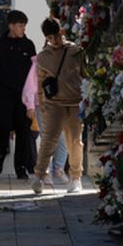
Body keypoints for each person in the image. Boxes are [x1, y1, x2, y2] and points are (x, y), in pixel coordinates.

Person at [31, 16, 84, 195]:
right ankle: (39, 176)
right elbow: (40, 81)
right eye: (50, 38)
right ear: (45, 37)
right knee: (48, 140)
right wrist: (42, 104)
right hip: (53, 104)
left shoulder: (75, 51)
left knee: (75, 142)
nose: (54, 41)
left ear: (62, 32)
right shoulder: (43, 57)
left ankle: (75, 178)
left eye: (56, 36)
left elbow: (85, 74)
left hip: (75, 103)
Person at [0, 10, 38, 179]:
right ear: (11, 26)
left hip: (23, 96)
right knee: (3, 126)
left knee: (23, 131)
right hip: (4, 93)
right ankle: (1, 153)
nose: (23, 28)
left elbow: (34, 71)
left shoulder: (29, 45)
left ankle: (20, 167)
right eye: (20, 25)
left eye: (24, 25)